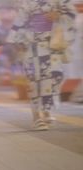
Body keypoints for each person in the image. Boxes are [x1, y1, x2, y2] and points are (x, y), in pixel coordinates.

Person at [7, 0, 76, 131]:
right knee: (35, 80)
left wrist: (59, 15)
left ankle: (46, 109)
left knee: (55, 76)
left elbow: (71, 13)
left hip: (53, 43)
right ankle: (37, 116)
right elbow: (19, 22)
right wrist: (17, 41)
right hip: (32, 45)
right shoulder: (27, 3)